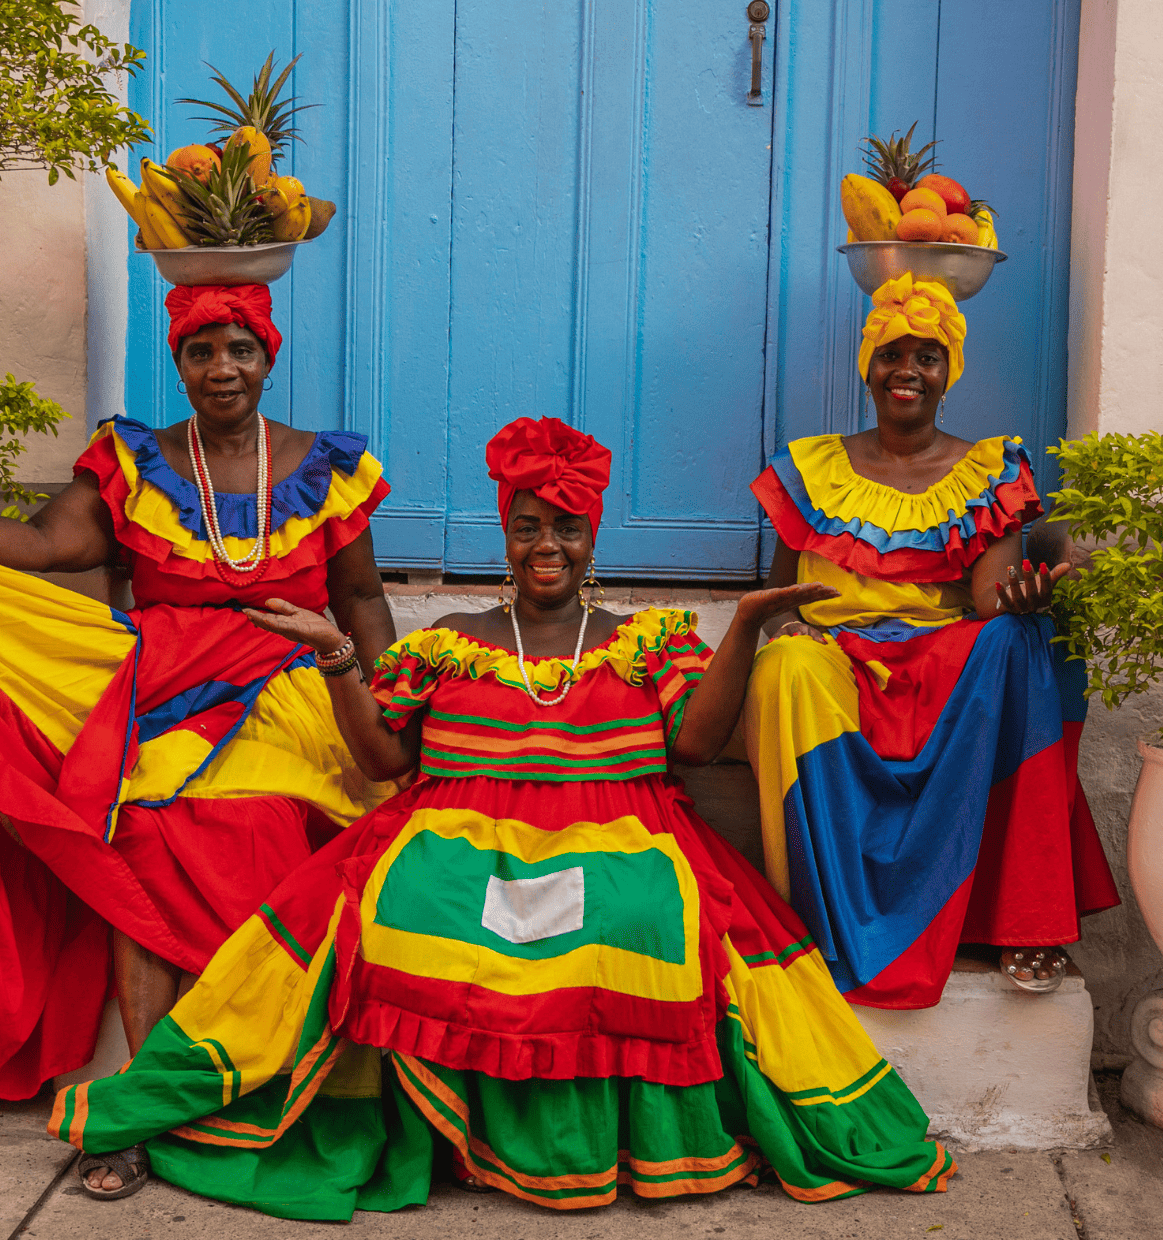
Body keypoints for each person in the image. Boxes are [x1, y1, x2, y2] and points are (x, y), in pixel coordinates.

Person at [47, 417, 957, 1218]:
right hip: (452, 830)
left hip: (624, 828)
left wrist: (748, 625)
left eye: (565, 527)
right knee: (419, 913)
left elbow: (692, 746)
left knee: (635, 916)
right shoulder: (450, 645)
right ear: (505, 537)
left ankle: (574, 1149)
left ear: (593, 535)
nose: (545, 545)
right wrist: (336, 659)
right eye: (528, 528)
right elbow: (384, 762)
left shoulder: (650, 642)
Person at [0, 283, 401, 1166]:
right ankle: (139, 1108)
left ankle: (254, 1079)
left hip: (294, 692)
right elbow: (43, 545)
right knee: (140, 830)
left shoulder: (325, 467)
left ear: (269, 356)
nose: (221, 369)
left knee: (264, 817)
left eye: (240, 350)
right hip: (161, 688)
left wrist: (393, 709)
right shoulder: (133, 461)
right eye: (201, 352)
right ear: (179, 364)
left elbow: (364, 599)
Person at [743, 273, 1119, 1012]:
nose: (907, 370)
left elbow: (988, 600)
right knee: (784, 663)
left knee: (1019, 639)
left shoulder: (988, 472)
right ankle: (822, 919)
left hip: (939, 657)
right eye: (891, 354)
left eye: (927, 357)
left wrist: (1029, 594)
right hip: (833, 658)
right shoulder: (810, 467)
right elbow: (778, 591)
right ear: (868, 367)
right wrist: (784, 627)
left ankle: (1024, 918)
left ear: (950, 374)